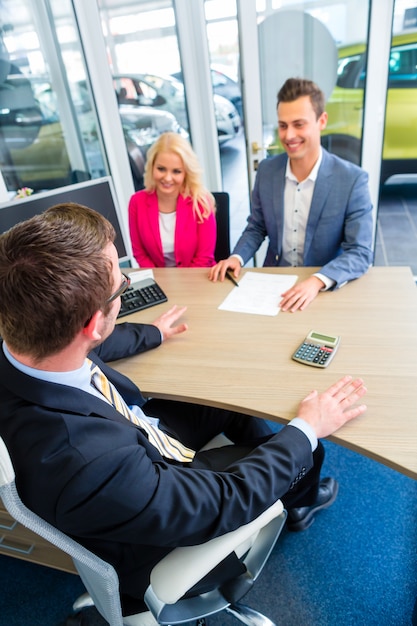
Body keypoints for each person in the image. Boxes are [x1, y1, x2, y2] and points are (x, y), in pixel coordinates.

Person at [0, 203, 367, 616]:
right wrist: (303, 431)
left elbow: (93, 345)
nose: (125, 282)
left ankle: (283, 476)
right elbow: (222, 503)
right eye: (121, 284)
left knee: (222, 396)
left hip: (133, 434)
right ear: (90, 323)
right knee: (309, 447)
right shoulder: (87, 462)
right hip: (158, 504)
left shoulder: (27, 346)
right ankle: (299, 496)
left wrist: (153, 332)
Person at [209, 77, 374, 312]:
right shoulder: (266, 171)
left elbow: (360, 252)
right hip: (272, 287)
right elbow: (257, 227)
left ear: (322, 121)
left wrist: (317, 281)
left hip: (322, 287)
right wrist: (236, 257)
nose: (288, 136)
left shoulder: (352, 180)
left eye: (299, 124)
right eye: (283, 125)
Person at [129, 132, 217, 268]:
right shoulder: (136, 202)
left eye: (176, 171)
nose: (167, 178)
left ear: (186, 173)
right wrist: (159, 283)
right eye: (161, 169)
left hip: (197, 278)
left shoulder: (200, 202)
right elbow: (139, 253)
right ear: (152, 167)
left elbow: (203, 258)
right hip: (158, 280)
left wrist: (180, 286)